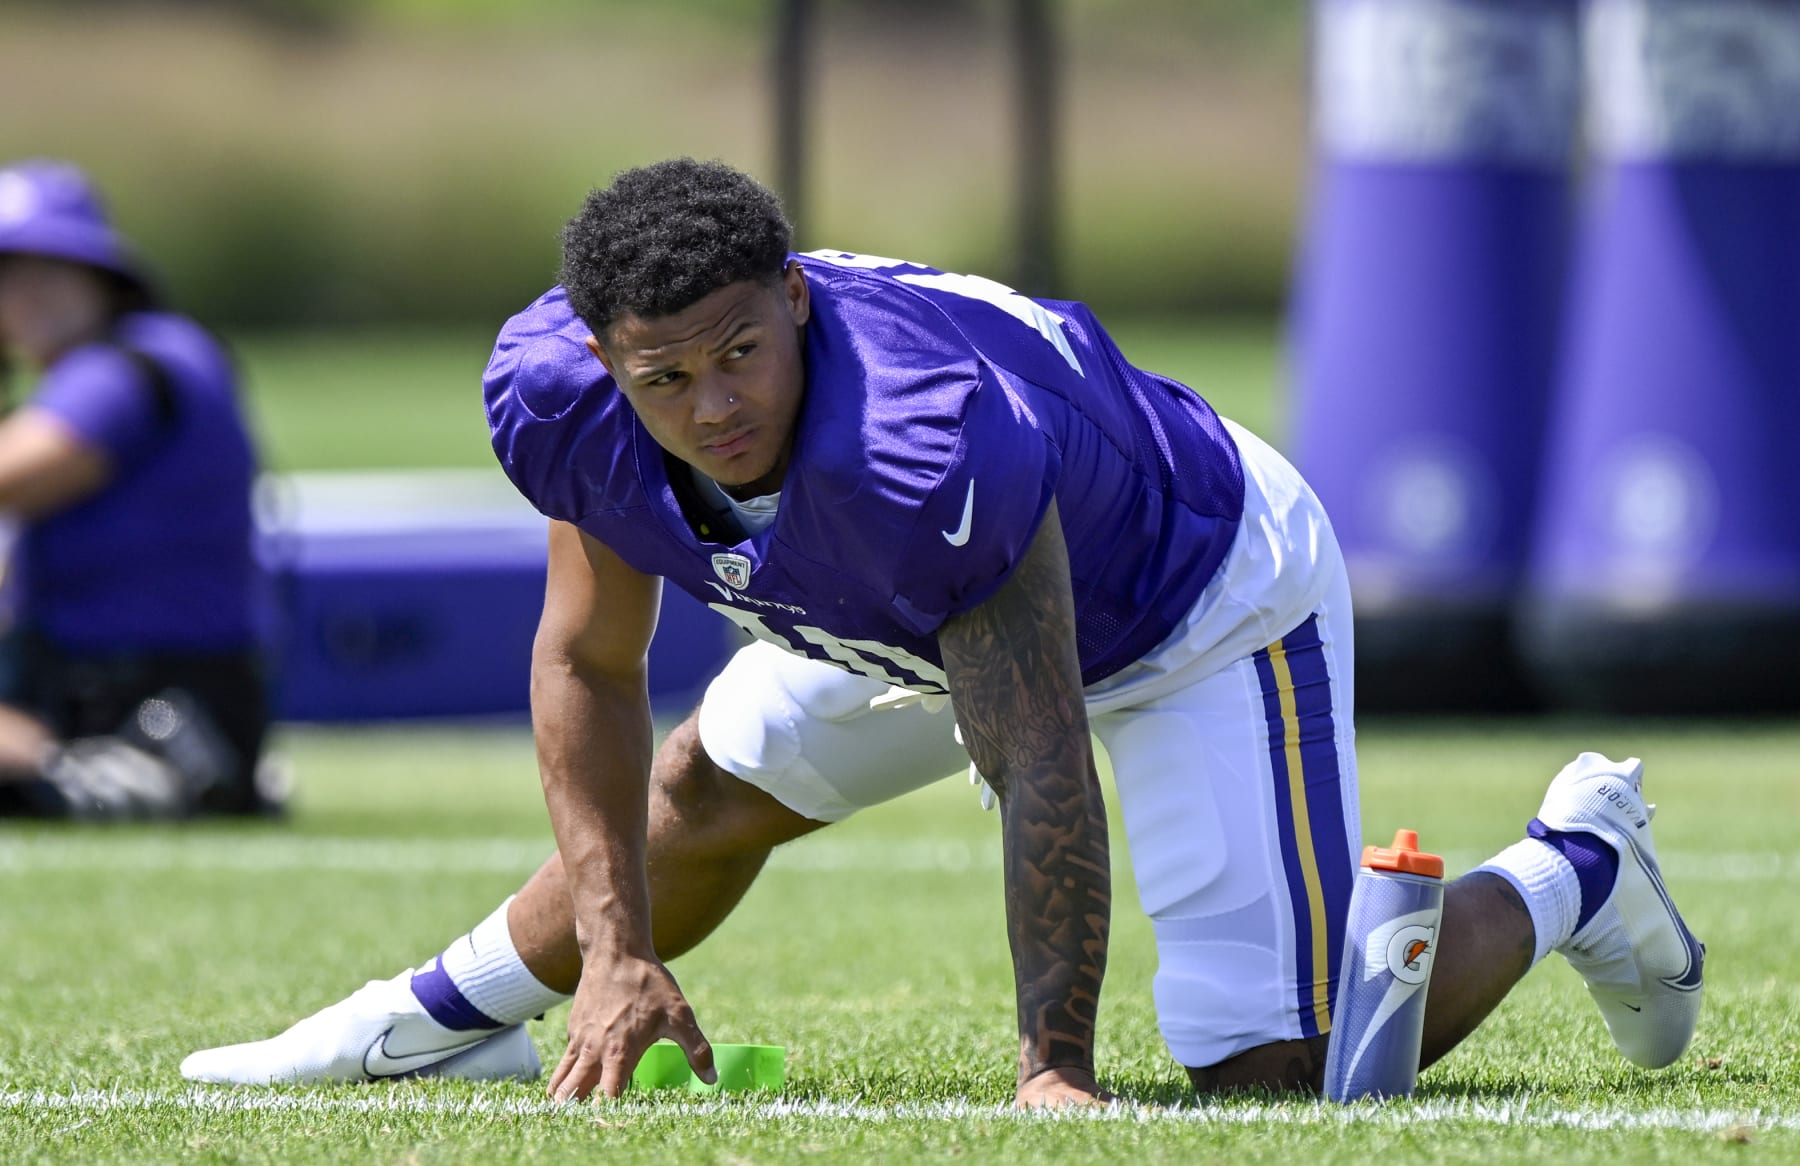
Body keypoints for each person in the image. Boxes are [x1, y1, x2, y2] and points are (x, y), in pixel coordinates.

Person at [179, 159, 1703, 1105]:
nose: (712, 407)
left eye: (742, 354)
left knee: (1270, 1067)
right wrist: (618, 952)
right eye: (666, 378)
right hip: (912, 606)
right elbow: (588, 660)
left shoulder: (920, 441)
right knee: (699, 798)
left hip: (1190, 596)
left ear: (797, 299)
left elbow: (1037, 753)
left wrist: (1054, 1071)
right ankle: (432, 1023)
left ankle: (1577, 865)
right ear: (599, 358)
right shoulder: (571, 393)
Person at [0, 160, 269, 820]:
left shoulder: (125, 367)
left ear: (101, 278)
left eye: (50, 269)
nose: (26, 292)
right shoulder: (157, 353)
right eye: (8, 273)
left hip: (153, 710)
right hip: (157, 698)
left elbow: (16, 473)